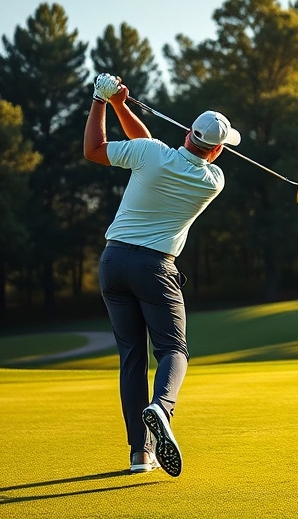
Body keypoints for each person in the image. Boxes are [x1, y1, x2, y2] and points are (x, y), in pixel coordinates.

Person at [83, 73, 241, 477]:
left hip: (113, 262)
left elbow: (95, 150)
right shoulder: (213, 180)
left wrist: (102, 100)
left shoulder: (151, 154)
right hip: (155, 268)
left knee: (132, 357)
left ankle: (140, 454)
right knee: (173, 350)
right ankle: (162, 407)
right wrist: (120, 106)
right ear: (217, 150)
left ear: (188, 133)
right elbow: (147, 144)